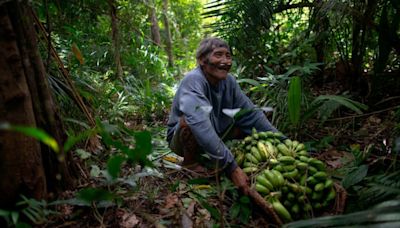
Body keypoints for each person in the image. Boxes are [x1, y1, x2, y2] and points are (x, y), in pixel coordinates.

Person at [166, 37, 280, 194]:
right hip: (181, 137)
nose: (225, 61)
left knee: (249, 120)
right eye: (218, 55)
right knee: (190, 122)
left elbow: (251, 114)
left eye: (228, 56)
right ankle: (190, 163)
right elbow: (199, 123)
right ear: (201, 60)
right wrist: (231, 168)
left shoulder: (229, 82)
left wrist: (282, 140)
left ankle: (220, 153)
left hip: (217, 131)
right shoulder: (193, 80)